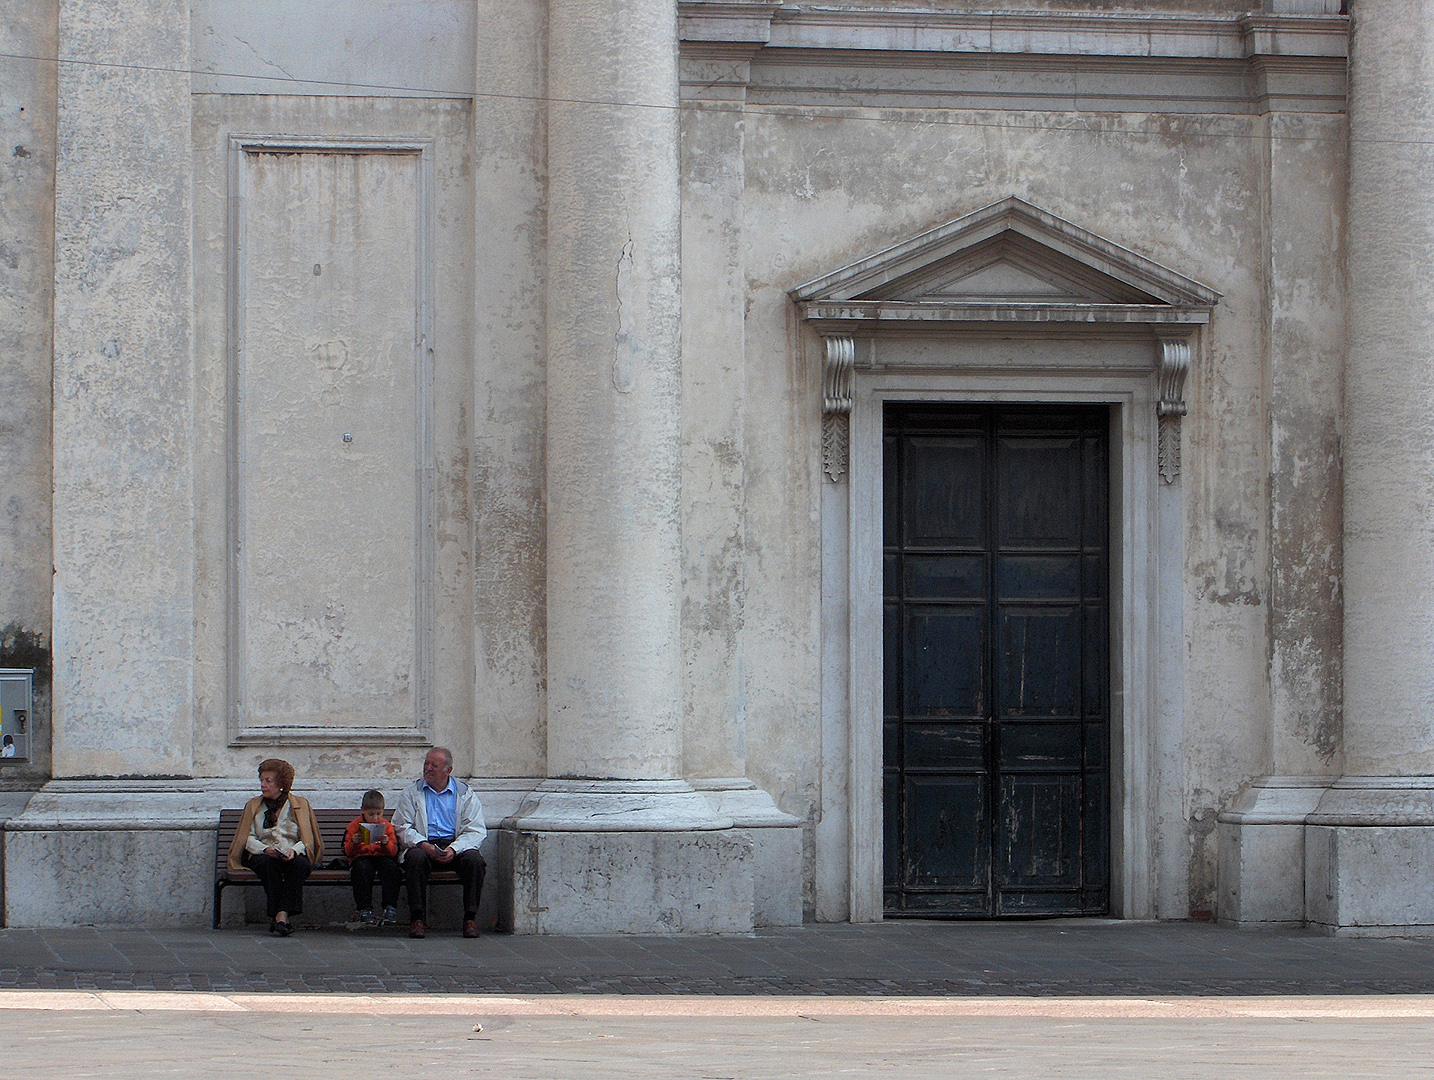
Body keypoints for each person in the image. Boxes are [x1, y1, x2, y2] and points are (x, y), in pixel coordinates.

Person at [393, 747, 486, 938]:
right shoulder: (412, 792)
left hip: (455, 844)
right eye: (426, 763)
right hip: (424, 844)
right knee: (415, 858)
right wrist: (423, 845)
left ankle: (470, 919)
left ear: (448, 770)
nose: (427, 768)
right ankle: (417, 919)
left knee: (474, 861)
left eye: (433, 765)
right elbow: (402, 827)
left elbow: (476, 830)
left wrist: (455, 848)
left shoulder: (465, 794)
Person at [226, 758, 322, 936]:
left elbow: (306, 839)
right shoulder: (254, 806)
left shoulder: (299, 805)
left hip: (290, 851)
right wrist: (265, 849)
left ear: (281, 784)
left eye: (268, 781)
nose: (263, 785)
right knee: (268, 865)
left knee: (300, 866)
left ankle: (280, 914)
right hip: (262, 852)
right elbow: (246, 837)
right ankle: (281, 916)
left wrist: (293, 851)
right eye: (261, 780)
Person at [344, 789, 401, 925]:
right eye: (371, 814)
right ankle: (364, 909)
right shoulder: (354, 826)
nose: (375, 818)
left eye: (378, 814)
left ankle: (390, 906)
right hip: (362, 856)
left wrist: (386, 844)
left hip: (381, 856)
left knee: (392, 869)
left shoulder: (386, 826)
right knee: (362, 869)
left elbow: (393, 852)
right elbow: (347, 851)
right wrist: (354, 842)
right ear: (362, 811)